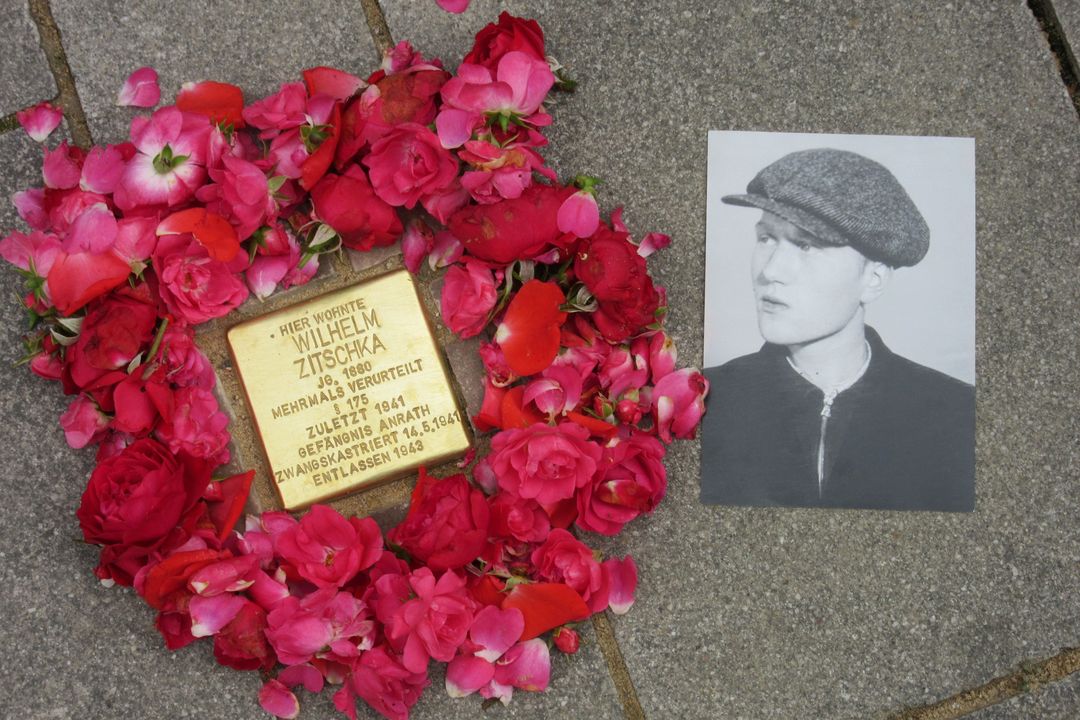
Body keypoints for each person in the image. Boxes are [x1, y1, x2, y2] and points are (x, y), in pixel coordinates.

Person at [700, 148, 974, 512]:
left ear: (873, 279)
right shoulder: (704, 399)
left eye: (806, 244)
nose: (771, 271)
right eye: (766, 238)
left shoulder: (954, 412)